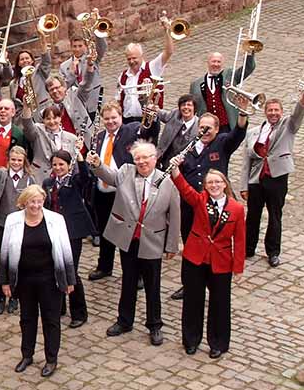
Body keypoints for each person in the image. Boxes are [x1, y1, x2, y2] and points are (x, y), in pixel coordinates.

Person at [87, 141, 180, 346]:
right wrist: (97, 164)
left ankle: (154, 325)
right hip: (128, 239)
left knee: (152, 285)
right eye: (138, 158)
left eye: (146, 157)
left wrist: (172, 245)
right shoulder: (126, 172)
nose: (141, 162)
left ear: (155, 159)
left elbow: (174, 216)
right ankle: (124, 321)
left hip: (153, 241)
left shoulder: (167, 182)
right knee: (128, 281)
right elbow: (109, 176)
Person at [167, 110, 247, 301]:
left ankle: (214, 283)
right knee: (190, 244)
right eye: (201, 128)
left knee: (215, 242)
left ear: (217, 129)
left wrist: (242, 114)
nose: (204, 131)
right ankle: (189, 284)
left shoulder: (222, 143)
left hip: (215, 206)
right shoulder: (189, 147)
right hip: (191, 205)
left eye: (209, 128)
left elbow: (238, 134)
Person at [0, 185, 76, 377]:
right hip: (25, 280)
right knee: (27, 319)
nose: (35, 206)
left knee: (51, 320)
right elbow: (4, 254)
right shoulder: (12, 220)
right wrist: (5, 282)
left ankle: (51, 359)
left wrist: (69, 279)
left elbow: (66, 251)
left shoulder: (56, 220)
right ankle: (27, 355)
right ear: (24, 202)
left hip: (50, 279)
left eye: (39, 202)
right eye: (32, 202)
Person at [170, 164, 245, 359]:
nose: (214, 186)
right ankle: (191, 340)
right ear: (205, 186)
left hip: (221, 261)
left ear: (225, 184)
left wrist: (238, 268)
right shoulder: (200, 200)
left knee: (220, 303)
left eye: (218, 182)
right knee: (193, 300)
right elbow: (184, 189)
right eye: (210, 182)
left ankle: (218, 343)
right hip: (195, 257)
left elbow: (240, 239)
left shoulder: (236, 208)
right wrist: (176, 171)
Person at [237, 85, 304, 268]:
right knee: (252, 215)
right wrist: (244, 185)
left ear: (282, 112)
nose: (273, 113)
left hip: (276, 177)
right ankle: (248, 247)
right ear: (265, 112)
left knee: (275, 216)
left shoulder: (288, 126)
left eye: (276, 110)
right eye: (270, 110)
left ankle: (273, 252)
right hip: (256, 178)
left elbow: (298, 114)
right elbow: (246, 159)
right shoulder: (254, 132)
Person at [87, 102, 159, 281]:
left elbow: (149, 131)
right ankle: (105, 265)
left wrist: (152, 116)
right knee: (105, 231)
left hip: (124, 193)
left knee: (129, 234)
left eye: (114, 117)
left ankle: (139, 274)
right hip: (102, 191)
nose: (110, 121)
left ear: (121, 117)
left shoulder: (131, 130)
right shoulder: (99, 136)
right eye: (107, 118)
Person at [0, 146, 36, 315]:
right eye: (13, 160)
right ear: (8, 160)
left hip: (20, 225)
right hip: (3, 223)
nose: (16, 163)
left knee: (17, 260)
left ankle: (14, 297)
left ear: (24, 161)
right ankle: (0, 297)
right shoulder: (3, 174)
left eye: (19, 160)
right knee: (4, 260)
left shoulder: (29, 179)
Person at [42, 149, 95, 328]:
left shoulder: (75, 181)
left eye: (61, 164)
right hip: (54, 230)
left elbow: (87, 178)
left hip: (73, 232)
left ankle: (79, 312)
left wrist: (80, 159)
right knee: (54, 267)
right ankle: (59, 306)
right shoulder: (48, 183)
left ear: (68, 165)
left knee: (71, 270)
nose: (58, 168)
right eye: (55, 164)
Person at [117, 19, 176, 124]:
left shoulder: (152, 67)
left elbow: (169, 52)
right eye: (129, 59)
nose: (132, 61)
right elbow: (119, 99)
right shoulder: (123, 76)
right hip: (127, 121)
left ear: (141, 56)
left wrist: (167, 31)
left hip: (148, 120)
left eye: (134, 58)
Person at [188, 51, 255, 132]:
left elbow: (248, 68)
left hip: (227, 126)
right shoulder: (195, 84)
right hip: (207, 128)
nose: (216, 64)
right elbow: (192, 108)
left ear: (222, 63)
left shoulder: (230, 75)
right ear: (208, 62)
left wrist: (249, 53)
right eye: (213, 61)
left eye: (218, 62)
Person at [21, 104, 80, 183]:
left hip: (63, 180)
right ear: (43, 120)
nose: (52, 122)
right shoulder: (38, 130)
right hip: (40, 177)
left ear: (60, 118)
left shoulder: (72, 138)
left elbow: (73, 163)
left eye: (55, 118)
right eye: (48, 119)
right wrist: (26, 107)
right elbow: (27, 124)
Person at [155, 95, 200, 168]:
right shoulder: (174, 114)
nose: (186, 107)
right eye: (183, 105)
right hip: (161, 161)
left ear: (194, 108)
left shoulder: (199, 126)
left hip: (182, 167)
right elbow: (162, 114)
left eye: (189, 105)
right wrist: (154, 109)